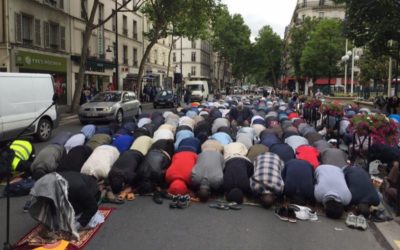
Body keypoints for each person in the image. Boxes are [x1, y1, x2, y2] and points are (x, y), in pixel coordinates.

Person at [29, 171, 101, 239]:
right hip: (73, 191)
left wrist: (78, 225)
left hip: (92, 192)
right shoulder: (50, 183)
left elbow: (93, 207)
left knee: (72, 221)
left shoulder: (77, 187)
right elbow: (50, 203)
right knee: (59, 219)